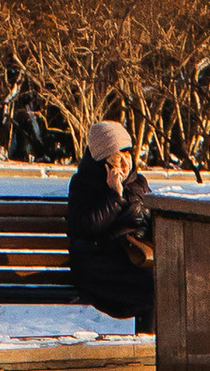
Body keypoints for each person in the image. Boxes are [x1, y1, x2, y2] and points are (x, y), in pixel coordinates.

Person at [66, 115, 156, 326]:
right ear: (101, 161)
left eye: (128, 154)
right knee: (154, 286)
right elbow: (87, 226)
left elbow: (149, 218)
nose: (125, 163)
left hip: (135, 259)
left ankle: (150, 346)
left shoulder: (138, 182)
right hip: (97, 263)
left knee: (167, 280)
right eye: (117, 157)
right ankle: (146, 347)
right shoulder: (83, 184)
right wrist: (114, 196)